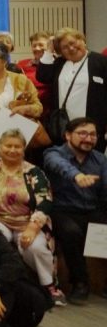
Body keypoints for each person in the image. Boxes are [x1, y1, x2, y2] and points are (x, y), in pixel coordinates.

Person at [0, 130, 64, 305]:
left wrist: (33, 227)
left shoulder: (34, 172)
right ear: (0, 148)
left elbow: (45, 200)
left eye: (17, 146)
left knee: (36, 247)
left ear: (23, 149)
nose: (12, 150)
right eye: (8, 145)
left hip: (28, 220)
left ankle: (49, 286)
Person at [41, 117, 107, 303]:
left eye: (93, 134)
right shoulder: (53, 153)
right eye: (83, 133)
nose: (88, 138)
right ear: (68, 135)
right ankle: (80, 283)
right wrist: (77, 176)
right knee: (71, 233)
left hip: (93, 209)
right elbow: (58, 166)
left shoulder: (100, 159)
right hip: (63, 209)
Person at [37, 27, 107, 151]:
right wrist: (48, 50)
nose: (71, 48)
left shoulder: (101, 62)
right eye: (64, 47)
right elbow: (42, 76)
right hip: (63, 130)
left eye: (73, 42)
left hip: (92, 131)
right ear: (60, 51)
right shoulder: (59, 63)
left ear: (82, 40)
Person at [17, 30, 52, 116]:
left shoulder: (56, 65)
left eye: (41, 45)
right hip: (27, 110)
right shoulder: (21, 64)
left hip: (49, 111)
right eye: (34, 45)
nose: (37, 48)